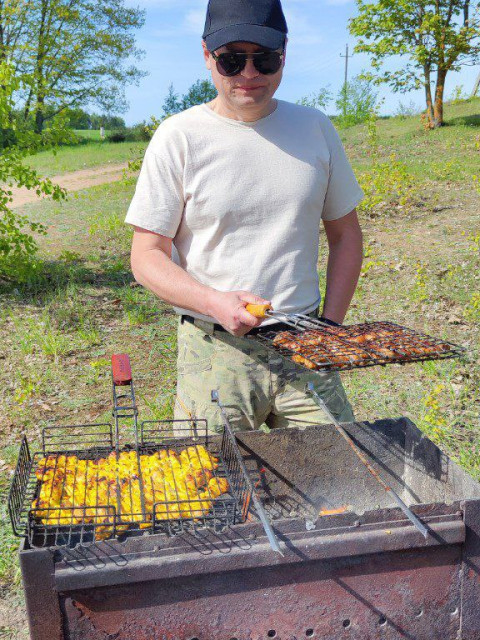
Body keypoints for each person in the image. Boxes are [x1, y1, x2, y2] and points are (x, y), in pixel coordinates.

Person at [126, 0, 364, 432]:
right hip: (214, 350)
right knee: (210, 487)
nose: (250, 74)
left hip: (307, 341)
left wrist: (330, 326)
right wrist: (214, 303)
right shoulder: (178, 136)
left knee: (345, 477)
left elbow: (346, 236)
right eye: (232, 60)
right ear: (206, 57)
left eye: (265, 59)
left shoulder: (316, 128)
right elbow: (146, 256)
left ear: (284, 55)